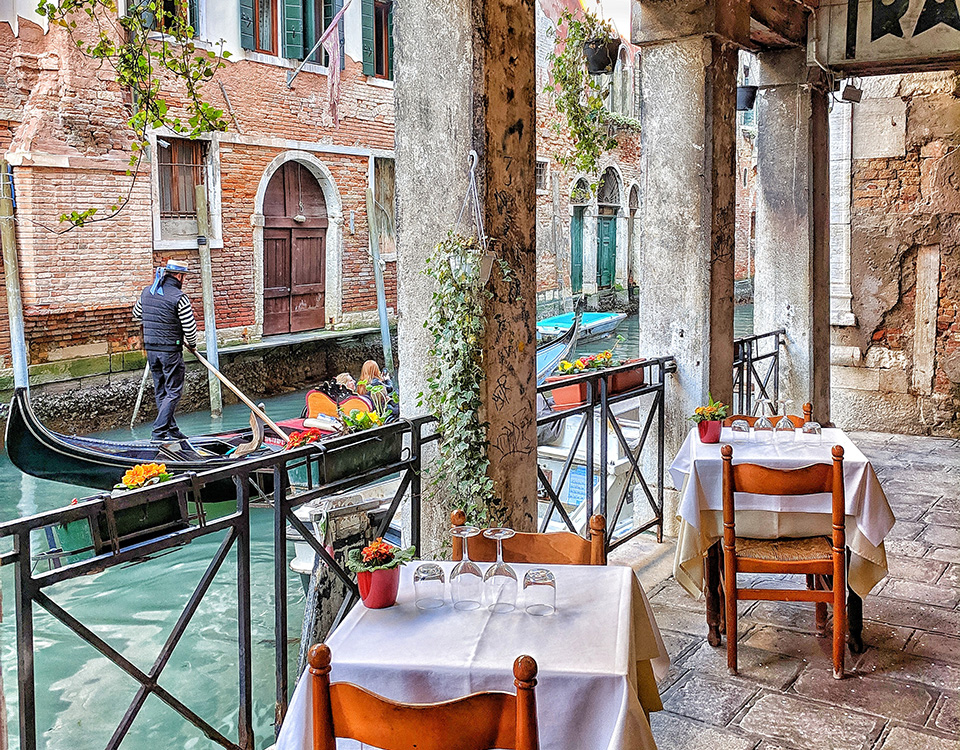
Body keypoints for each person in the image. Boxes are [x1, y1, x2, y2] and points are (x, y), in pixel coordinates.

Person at [132, 260, 199, 441]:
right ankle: (159, 433)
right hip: (170, 350)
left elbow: (137, 314)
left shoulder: (147, 292)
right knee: (173, 391)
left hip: (152, 350)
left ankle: (172, 430)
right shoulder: (179, 297)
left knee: (161, 390)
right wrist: (192, 344)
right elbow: (189, 327)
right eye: (184, 276)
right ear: (179, 276)